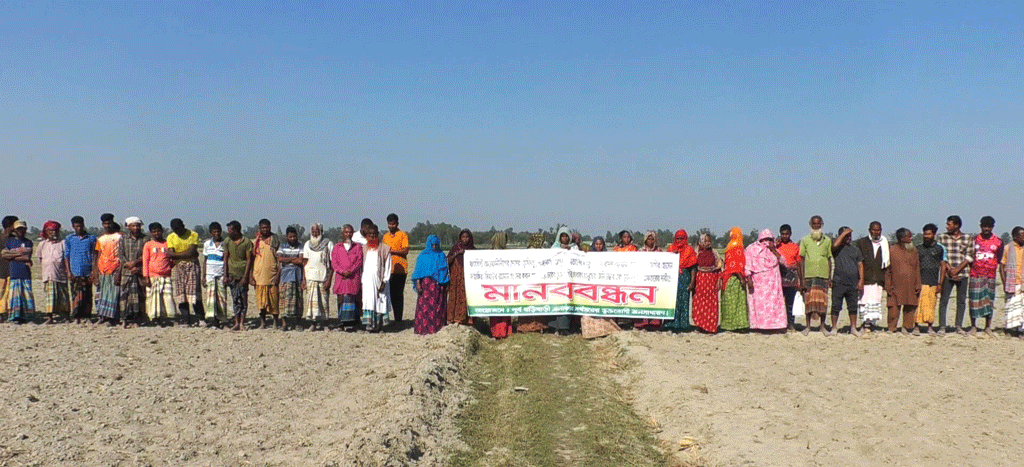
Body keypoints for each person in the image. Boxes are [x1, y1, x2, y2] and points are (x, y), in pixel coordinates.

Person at [745, 228, 788, 332]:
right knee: (759, 305)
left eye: (769, 239)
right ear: (760, 239)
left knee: (773, 305)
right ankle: (759, 326)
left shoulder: (774, 250)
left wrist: (773, 249)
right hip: (759, 284)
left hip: (773, 284)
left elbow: (783, 262)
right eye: (764, 239)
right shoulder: (751, 249)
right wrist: (749, 279)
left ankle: (774, 326)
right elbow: (747, 265)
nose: (766, 242)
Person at [937, 215, 973, 334]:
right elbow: (941, 255)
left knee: (961, 301)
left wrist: (957, 270)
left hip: (963, 273)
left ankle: (959, 326)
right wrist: (950, 269)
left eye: (949, 224)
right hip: (947, 274)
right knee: (944, 300)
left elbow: (969, 257)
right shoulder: (942, 237)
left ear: (957, 225)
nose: (947, 226)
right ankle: (942, 326)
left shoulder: (967, 238)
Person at [581, 236, 622, 338]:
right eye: (596, 244)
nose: (598, 246)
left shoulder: (607, 257)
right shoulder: (588, 256)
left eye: (600, 244)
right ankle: (590, 331)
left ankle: (606, 329)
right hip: (592, 286)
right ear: (593, 245)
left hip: (603, 285)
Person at [968, 216, 1002, 337]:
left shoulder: (998, 241)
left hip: (990, 276)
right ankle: (973, 326)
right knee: (974, 300)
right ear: (980, 226)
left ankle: (988, 327)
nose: (986, 229)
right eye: (984, 226)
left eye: (989, 226)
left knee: (989, 301)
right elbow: (969, 256)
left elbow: (999, 259)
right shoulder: (974, 240)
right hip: (975, 274)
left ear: (992, 227)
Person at [166, 219, 204, 326]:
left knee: (194, 292)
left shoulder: (193, 235)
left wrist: (177, 254)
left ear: (183, 226)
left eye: (179, 228)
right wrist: (187, 254)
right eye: (175, 230)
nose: (178, 231)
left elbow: (192, 252)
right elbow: (170, 254)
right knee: (181, 293)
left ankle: (200, 318)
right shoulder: (171, 237)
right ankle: (185, 319)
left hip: (192, 265)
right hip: (179, 267)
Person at [799, 215, 832, 335]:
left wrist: (829, 277)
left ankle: (822, 327)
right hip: (809, 275)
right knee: (808, 302)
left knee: (823, 302)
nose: (816, 226)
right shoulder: (805, 240)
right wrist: (802, 278)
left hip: (823, 275)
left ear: (822, 225)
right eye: (814, 224)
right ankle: (807, 327)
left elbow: (829, 259)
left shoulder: (827, 240)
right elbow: (801, 259)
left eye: (818, 224)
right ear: (811, 225)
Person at [412, 234, 450, 335]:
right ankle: (423, 329)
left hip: (439, 286)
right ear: (429, 244)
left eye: (436, 244)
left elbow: (444, 271)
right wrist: (418, 284)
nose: (434, 246)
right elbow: (418, 272)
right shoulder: (423, 256)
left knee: (438, 307)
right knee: (425, 308)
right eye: (432, 244)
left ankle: (437, 327)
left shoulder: (441, 255)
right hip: (427, 287)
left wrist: (446, 284)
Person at [886, 228, 921, 334]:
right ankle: (892, 328)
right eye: (908, 236)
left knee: (910, 306)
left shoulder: (913, 250)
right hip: (895, 284)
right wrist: (888, 285)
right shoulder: (891, 250)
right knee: (893, 307)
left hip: (911, 283)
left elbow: (917, 268)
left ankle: (907, 327)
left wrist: (918, 283)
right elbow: (887, 270)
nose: (911, 238)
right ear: (902, 238)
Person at [854, 221, 888, 331]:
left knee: (876, 302)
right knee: (864, 302)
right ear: (869, 230)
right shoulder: (861, 243)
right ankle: (864, 324)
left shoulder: (885, 244)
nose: (876, 232)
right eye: (874, 230)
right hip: (865, 278)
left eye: (878, 230)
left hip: (878, 278)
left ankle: (872, 324)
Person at [829, 227, 863, 336]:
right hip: (838, 282)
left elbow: (860, 265)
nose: (848, 238)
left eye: (849, 236)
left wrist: (861, 280)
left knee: (853, 306)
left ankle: (853, 328)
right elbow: (834, 246)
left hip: (853, 282)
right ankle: (834, 328)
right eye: (846, 236)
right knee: (836, 306)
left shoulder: (855, 250)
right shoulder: (836, 249)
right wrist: (843, 233)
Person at [64, 215, 97, 324]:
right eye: (76, 226)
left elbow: (94, 255)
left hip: (87, 271)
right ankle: (76, 316)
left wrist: (94, 271)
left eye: (80, 225)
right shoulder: (69, 239)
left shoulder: (91, 238)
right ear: (73, 227)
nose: (79, 228)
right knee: (76, 294)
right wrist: (68, 271)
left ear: (83, 225)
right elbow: (67, 256)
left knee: (87, 294)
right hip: (75, 271)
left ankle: (87, 316)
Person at [221, 220, 253, 331]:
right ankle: (236, 322)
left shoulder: (246, 242)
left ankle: (242, 322)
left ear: (236, 230)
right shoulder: (227, 241)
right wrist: (225, 275)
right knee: (235, 300)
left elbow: (249, 260)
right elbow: (225, 258)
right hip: (232, 275)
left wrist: (246, 277)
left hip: (242, 275)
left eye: (230, 230)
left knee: (243, 299)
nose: (228, 232)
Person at [142, 222, 175, 325]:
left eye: (158, 231)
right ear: (151, 233)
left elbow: (172, 258)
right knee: (153, 298)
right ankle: (154, 317)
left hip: (166, 275)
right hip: (153, 275)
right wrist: (146, 276)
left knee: (167, 297)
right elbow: (145, 261)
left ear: (162, 231)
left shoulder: (167, 243)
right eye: (154, 231)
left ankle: (168, 317)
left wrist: (169, 267)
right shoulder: (148, 245)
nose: (157, 233)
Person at [361, 225, 392, 332]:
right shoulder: (364, 248)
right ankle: (370, 325)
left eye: (374, 234)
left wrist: (384, 281)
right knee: (369, 302)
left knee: (380, 302)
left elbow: (388, 266)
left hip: (380, 280)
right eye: (370, 235)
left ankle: (379, 326)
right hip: (367, 280)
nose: (372, 236)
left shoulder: (385, 248)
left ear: (378, 234)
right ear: (367, 236)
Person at [302, 223, 333, 331]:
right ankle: (313, 324)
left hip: (323, 277)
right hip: (310, 277)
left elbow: (331, 263)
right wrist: (304, 279)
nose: (315, 233)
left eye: (317, 231)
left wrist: (329, 279)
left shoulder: (328, 244)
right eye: (313, 231)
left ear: (321, 232)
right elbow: (304, 262)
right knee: (312, 303)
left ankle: (325, 324)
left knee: (324, 302)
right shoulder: (307, 244)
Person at [664, 230, 697, 332]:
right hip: (672, 278)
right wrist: (672, 256)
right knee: (672, 301)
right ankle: (670, 324)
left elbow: (693, 268)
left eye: (681, 238)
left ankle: (682, 325)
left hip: (684, 277)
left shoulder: (689, 251)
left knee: (683, 301)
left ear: (685, 239)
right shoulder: (671, 249)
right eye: (677, 238)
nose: (679, 240)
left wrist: (692, 281)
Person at [37, 220, 69, 324]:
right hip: (48, 275)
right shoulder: (42, 244)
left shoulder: (62, 243)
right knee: (49, 298)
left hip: (60, 275)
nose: (53, 233)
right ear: (46, 232)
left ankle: (65, 316)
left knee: (63, 297)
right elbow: (40, 258)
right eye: (50, 231)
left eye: (55, 230)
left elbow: (66, 258)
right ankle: (50, 317)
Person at [331, 224, 363, 329]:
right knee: (341, 300)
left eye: (350, 232)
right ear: (342, 234)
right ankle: (341, 322)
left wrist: (351, 271)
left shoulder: (357, 247)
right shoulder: (336, 247)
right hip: (341, 278)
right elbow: (334, 263)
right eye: (346, 232)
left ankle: (355, 323)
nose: (348, 234)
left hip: (353, 278)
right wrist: (342, 271)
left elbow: (359, 261)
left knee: (355, 299)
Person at [251, 219, 281, 329]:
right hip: (259, 275)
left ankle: (275, 322)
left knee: (274, 300)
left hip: (272, 275)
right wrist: (251, 276)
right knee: (261, 301)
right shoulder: (255, 242)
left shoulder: (275, 240)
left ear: (270, 227)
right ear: (259, 228)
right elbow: (251, 259)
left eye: (267, 227)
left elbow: (279, 258)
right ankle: (263, 322)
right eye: (263, 227)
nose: (265, 229)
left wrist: (278, 274)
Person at [915, 223, 945, 335]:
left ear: (934, 234)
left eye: (929, 234)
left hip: (933, 281)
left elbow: (942, 266)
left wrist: (940, 283)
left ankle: (930, 327)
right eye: (925, 234)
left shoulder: (939, 249)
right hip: (921, 280)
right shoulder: (918, 249)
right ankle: (916, 327)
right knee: (919, 304)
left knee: (931, 305)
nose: (926, 236)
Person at [3, 220, 34, 323]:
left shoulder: (28, 242)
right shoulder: (10, 241)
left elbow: (27, 255)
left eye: (22, 229)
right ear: (15, 230)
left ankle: (27, 316)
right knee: (14, 295)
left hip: (25, 272)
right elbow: (4, 255)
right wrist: (20, 255)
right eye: (18, 229)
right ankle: (15, 317)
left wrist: (12, 254)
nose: (21, 231)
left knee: (26, 295)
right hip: (14, 271)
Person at [691, 233, 723, 333]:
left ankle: (710, 327)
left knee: (711, 304)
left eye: (709, 241)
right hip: (700, 280)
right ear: (701, 242)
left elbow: (719, 267)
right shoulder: (696, 253)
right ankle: (700, 325)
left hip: (712, 280)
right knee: (699, 303)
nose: (708, 243)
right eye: (705, 241)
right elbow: (693, 267)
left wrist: (719, 280)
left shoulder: (715, 253)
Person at [119, 217, 147, 327]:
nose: (136, 228)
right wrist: (128, 265)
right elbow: (121, 255)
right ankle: (125, 319)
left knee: (139, 296)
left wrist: (135, 263)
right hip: (126, 272)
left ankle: (138, 319)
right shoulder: (123, 239)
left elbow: (145, 255)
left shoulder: (145, 239)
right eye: (133, 225)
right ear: (128, 227)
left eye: (138, 225)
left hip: (139, 272)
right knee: (125, 297)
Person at [94, 213, 122, 326]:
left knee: (113, 295)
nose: (107, 225)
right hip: (102, 271)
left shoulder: (119, 237)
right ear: (102, 225)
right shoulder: (100, 239)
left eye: (109, 223)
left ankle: (112, 319)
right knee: (102, 295)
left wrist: (119, 271)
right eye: (105, 223)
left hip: (115, 269)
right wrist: (95, 271)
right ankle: (102, 317)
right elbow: (97, 255)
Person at [548, 226, 577, 334]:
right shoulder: (554, 247)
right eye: (562, 236)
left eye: (566, 236)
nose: (564, 238)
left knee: (566, 302)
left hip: (569, 280)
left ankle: (564, 327)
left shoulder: (574, 248)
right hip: (556, 279)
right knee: (555, 300)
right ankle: (553, 326)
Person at [635, 230, 664, 331]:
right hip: (642, 281)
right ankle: (642, 323)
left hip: (655, 281)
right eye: (649, 239)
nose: (650, 241)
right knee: (642, 300)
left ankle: (654, 323)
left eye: (652, 239)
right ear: (645, 240)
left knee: (654, 301)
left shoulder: (659, 251)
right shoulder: (640, 252)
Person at [383, 214, 410, 324]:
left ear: (397, 223)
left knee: (398, 295)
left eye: (393, 223)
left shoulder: (403, 235)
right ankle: (389, 319)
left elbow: (405, 251)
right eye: (389, 224)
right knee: (388, 294)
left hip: (401, 271)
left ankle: (398, 319)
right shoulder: (385, 237)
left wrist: (392, 251)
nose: (391, 226)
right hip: (388, 270)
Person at [277, 226, 304, 330]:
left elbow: (301, 260)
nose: (293, 238)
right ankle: (284, 323)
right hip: (285, 277)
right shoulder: (282, 246)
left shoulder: (300, 246)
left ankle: (298, 323)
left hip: (297, 276)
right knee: (284, 300)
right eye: (290, 236)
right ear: (287, 237)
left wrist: (287, 259)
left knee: (298, 300)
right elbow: (279, 259)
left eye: (294, 236)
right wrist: (294, 258)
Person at [202, 222, 228, 328]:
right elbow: (205, 260)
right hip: (210, 274)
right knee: (210, 298)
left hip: (221, 274)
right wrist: (203, 276)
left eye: (218, 231)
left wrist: (226, 275)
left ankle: (221, 319)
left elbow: (226, 260)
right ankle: (212, 320)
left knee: (221, 297)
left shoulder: (225, 243)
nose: (216, 233)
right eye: (214, 232)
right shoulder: (207, 244)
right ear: (211, 233)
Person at [446, 229, 474, 326]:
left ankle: (463, 319)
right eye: (463, 237)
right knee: (454, 295)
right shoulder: (455, 248)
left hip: (467, 278)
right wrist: (457, 254)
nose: (465, 239)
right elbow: (448, 260)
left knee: (465, 297)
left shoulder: (472, 249)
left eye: (467, 237)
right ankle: (451, 318)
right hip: (456, 277)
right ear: (460, 238)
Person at [776, 224, 801, 331]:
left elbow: (799, 263)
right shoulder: (776, 245)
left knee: (790, 302)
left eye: (787, 234)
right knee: (779, 302)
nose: (785, 236)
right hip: (778, 276)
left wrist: (800, 279)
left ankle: (791, 323)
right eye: (783, 234)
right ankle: (780, 324)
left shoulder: (795, 246)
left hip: (791, 277)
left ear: (790, 234)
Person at [487, 231, 512, 339]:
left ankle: (499, 332)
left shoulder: (506, 254)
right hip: (496, 286)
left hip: (501, 286)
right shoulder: (491, 254)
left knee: (500, 308)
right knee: (498, 308)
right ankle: (500, 332)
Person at [1000, 226, 1024, 338]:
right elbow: (1002, 266)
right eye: (1021, 235)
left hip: (1022, 283)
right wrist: (1004, 282)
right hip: (1011, 283)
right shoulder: (1007, 248)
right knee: (1010, 307)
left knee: (1021, 308)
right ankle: (1010, 329)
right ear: (1015, 236)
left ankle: (1020, 330)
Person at [0, 216, 17, 319]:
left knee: (9, 292)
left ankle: (8, 311)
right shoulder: (1, 238)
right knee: (1, 292)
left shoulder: (14, 239)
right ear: (10, 226)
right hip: (1, 270)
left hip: (12, 269)